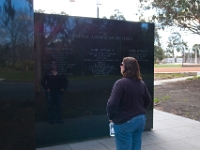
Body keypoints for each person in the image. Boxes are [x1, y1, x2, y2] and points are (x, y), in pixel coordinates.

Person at [106, 57, 152, 150]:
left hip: (125, 122)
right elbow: (148, 100)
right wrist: (140, 110)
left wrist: (111, 117)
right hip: (140, 120)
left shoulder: (121, 83)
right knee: (136, 146)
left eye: (122, 64)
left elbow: (112, 104)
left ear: (126, 67)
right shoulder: (141, 83)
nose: (120, 66)